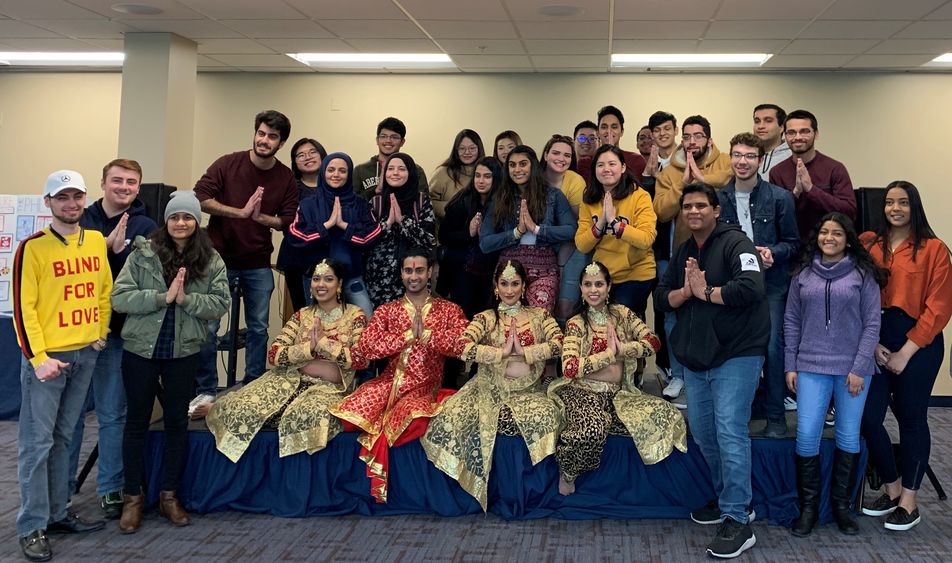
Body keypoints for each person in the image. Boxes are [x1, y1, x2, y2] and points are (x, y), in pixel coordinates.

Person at [654, 183, 768, 559]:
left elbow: (750, 288)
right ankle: (730, 501)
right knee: (704, 434)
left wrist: (706, 292)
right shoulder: (686, 250)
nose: (693, 211)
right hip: (697, 359)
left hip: (738, 354)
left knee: (730, 431)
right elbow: (661, 298)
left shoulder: (737, 243)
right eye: (687, 206)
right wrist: (687, 293)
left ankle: (738, 520)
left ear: (717, 210)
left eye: (701, 205)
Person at [111, 191, 229, 534]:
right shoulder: (143, 252)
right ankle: (133, 497)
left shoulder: (211, 259)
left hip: (183, 352)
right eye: (175, 217)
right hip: (140, 351)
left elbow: (219, 303)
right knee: (135, 422)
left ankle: (168, 496)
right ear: (167, 220)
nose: (181, 223)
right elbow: (119, 297)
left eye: (188, 217)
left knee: (177, 422)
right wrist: (162, 297)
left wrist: (187, 299)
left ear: (197, 221)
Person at [14, 170, 112, 562]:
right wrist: (38, 359)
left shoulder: (94, 242)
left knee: (66, 438)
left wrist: (100, 331)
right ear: (48, 203)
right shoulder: (32, 248)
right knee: (36, 444)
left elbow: (103, 290)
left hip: (84, 353)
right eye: (62, 198)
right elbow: (24, 310)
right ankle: (31, 524)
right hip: (48, 360)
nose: (71, 204)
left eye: (76, 197)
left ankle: (56, 513)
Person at [421, 259, 564, 510]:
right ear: (496, 286)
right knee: (451, 417)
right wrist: (498, 354)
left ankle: (527, 495)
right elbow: (461, 345)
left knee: (547, 416)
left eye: (515, 284)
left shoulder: (540, 316)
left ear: (524, 286)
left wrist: (526, 352)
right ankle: (465, 495)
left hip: (529, 392)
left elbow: (560, 343)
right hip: (487, 388)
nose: (510, 290)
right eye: (504, 284)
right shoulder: (486, 318)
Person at [329, 247, 468, 502]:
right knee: (347, 418)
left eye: (419, 270)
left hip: (425, 387)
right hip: (388, 384)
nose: (413, 276)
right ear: (401, 273)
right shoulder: (387, 310)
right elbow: (366, 348)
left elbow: (464, 346)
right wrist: (405, 338)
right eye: (407, 271)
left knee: (409, 420)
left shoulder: (448, 310)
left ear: (430, 272)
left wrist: (427, 336)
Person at [784, 213, 885, 537]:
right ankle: (809, 509)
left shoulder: (862, 274)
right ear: (818, 237)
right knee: (807, 435)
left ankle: (842, 507)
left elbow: (872, 324)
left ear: (847, 238)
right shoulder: (802, 273)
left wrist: (858, 368)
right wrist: (790, 364)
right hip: (811, 365)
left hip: (853, 371)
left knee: (847, 435)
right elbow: (791, 321)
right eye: (825, 232)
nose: (830, 237)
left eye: (837, 233)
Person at [207, 259, 368, 462]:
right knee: (243, 409)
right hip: (287, 379)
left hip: (328, 388)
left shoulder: (355, 316)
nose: (321, 285)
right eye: (316, 279)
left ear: (339, 285)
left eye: (328, 279)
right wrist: (308, 348)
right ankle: (214, 409)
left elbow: (361, 359)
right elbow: (274, 354)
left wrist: (324, 344)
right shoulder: (302, 315)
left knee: (312, 414)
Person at [860, 181, 952, 531]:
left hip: (919, 343)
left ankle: (909, 503)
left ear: (915, 206)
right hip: (876, 336)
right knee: (868, 419)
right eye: (888, 202)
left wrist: (906, 351)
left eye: (902, 202)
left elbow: (939, 307)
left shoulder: (934, 249)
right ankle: (892, 487)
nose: (894, 208)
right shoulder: (869, 244)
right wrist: (870, 343)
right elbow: (854, 293)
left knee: (912, 419)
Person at [68, 159, 156, 520]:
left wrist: (121, 253)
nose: (124, 187)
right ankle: (61, 491)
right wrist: (103, 246)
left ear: (138, 187)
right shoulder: (80, 219)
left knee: (112, 414)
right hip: (74, 334)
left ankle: (111, 489)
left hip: (117, 334)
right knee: (69, 417)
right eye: (117, 180)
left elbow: (148, 275)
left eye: (131, 182)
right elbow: (66, 263)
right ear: (103, 183)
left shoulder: (147, 225)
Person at [550, 261, 687, 496]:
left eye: (599, 284)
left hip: (620, 394)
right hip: (583, 392)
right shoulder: (576, 323)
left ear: (609, 287)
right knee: (591, 431)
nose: (594, 290)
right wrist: (607, 355)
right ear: (581, 289)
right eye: (588, 285)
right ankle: (568, 471)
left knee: (667, 414)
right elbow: (570, 368)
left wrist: (623, 349)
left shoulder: (622, 314)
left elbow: (653, 342)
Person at [193, 110, 298, 413]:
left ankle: (253, 384)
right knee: (209, 328)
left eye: (273, 137)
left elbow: (289, 219)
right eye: (262, 133)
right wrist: (238, 212)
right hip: (218, 259)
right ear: (255, 133)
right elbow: (200, 197)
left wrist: (259, 217)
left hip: (257, 261)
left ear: (281, 143)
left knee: (259, 328)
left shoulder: (284, 177)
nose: (265, 140)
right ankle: (206, 390)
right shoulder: (228, 163)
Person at [717, 132, 800, 438]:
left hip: (772, 285)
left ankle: (776, 417)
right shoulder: (718, 199)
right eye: (737, 155)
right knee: (735, 349)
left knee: (772, 348)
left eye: (750, 156)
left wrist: (772, 253)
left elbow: (793, 244)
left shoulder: (780, 198)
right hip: (733, 285)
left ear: (761, 160)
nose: (742, 161)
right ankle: (744, 411)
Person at [653, 115, 732, 402]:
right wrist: (681, 186)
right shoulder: (669, 171)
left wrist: (699, 180)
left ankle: (716, 372)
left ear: (708, 139)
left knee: (714, 314)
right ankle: (679, 374)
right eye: (687, 136)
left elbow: (726, 181)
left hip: (718, 255)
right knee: (674, 317)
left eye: (698, 136)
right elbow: (660, 211)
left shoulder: (723, 161)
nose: (692, 142)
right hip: (678, 254)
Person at [480, 145, 577, 313]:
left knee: (538, 320)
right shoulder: (499, 199)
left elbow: (571, 230)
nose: (517, 169)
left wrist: (537, 229)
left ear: (533, 166)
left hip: (544, 268)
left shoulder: (553, 195)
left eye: (523, 164)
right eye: (512, 165)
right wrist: (516, 233)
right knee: (509, 322)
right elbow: (485, 243)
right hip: (509, 269)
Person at [287, 152, 380, 318]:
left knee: (366, 319)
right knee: (316, 327)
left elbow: (372, 236)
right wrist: (327, 225)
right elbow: (295, 237)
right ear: (323, 172)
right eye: (331, 170)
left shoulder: (360, 204)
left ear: (349, 174)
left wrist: (345, 226)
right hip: (317, 279)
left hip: (352, 276)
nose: (336, 174)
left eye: (342, 171)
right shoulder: (308, 204)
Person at [575, 145, 657, 320]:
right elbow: (581, 244)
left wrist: (616, 224)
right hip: (603, 276)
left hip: (636, 273)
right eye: (600, 165)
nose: (606, 169)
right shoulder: (589, 199)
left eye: (612, 164)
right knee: (589, 319)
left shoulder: (639, 196)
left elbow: (646, 239)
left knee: (618, 318)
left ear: (623, 167)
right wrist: (601, 224)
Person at [768, 109, 856, 242]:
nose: (797, 137)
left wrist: (811, 189)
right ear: (785, 136)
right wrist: (795, 194)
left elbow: (849, 212)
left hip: (827, 246)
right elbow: (774, 218)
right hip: (792, 247)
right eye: (791, 133)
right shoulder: (777, 172)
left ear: (816, 134)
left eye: (804, 131)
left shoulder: (835, 168)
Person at [365, 152, 436, 308]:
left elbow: (429, 240)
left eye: (401, 169)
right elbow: (367, 241)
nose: (395, 173)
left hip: (414, 275)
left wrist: (404, 221)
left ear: (410, 173)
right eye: (390, 169)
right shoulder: (375, 202)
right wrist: (388, 223)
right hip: (380, 278)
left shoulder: (421, 201)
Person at [438, 156, 503, 319]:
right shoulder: (463, 199)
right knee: (463, 312)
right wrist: (469, 233)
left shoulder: (504, 203)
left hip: (491, 267)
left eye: (487, 176)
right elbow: (444, 236)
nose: (481, 181)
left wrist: (487, 236)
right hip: (462, 265)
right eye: (478, 175)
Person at [276, 137, 329, 311]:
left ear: (322, 155)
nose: (307, 157)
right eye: (301, 155)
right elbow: (288, 224)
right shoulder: (290, 189)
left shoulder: (335, 185)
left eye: (313, 152)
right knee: (304, 311)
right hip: (297, 259)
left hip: (329, 259)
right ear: (295, 162)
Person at [540, 134, 587, 324]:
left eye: (567, 155)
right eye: (556, 153)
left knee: (565, 305)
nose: (561, 158)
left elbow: (577, 225)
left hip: (570, 243)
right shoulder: (534, 178)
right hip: (540, 244)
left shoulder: (576, 181)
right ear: (545, 155)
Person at [353, 116, 428, 200]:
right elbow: (353, 202)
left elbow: (423, 201)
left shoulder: (416, 170)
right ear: (377, 140)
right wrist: (377, 190)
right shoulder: (360, 170)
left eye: (394, 137)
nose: (388, 140)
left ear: (402, 142)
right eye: (383, 136)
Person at [576, 106, 647, 185]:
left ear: (622, 131)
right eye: (604, 127)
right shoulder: (586, 163)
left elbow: (635, 190)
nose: (609, 131)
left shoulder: (636, 160)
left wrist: (613, 153)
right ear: (598, 132)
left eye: (614, 127)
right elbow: (590, 192)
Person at [428, 129, 485, 222]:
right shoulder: (443, 172)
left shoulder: (488, 172)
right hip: (449, 229)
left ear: (479, 149)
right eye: (462, 148)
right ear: (456, 150)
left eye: (472, 148)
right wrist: (453, 210)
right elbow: (428, 202)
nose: (467, 152)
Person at [752, 104, 790, 180]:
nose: (761, 126)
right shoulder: (746, 155)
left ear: (782, 127)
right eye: (757, 121)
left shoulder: (793, 157)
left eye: (768, 121)